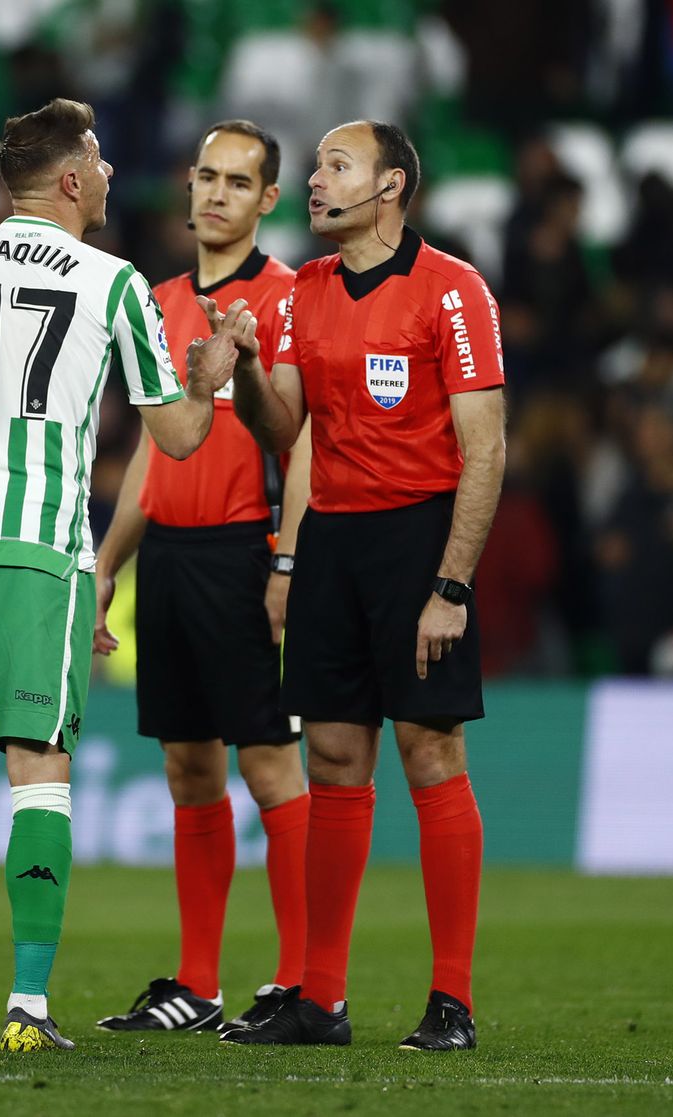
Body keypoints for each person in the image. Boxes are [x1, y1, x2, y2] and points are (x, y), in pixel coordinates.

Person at [0, 98, 246, 1053]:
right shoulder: (116, 284)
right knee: (39, 775)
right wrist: (214, 371)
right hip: (45, 556)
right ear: (70, 179)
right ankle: (26, 1008)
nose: (110, 174)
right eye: (100, 159)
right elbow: (182, 438)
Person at [220, 121, 506, 1051]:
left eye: (334, 166)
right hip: (332, 540)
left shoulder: (454, 290)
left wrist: (450, 587)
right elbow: (283, 431)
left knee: (430, 755)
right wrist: (252, 369)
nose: (313, 180)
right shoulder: (303, 290)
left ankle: (452, 1001)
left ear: (390, 186)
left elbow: (486, 449)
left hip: (419, 540)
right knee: (335, 759)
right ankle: (322, 999)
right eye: (313, 168)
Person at [91, 120, 311, 1036]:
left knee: (268, 765)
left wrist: (288, 563)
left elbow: (304, 442)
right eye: (206, 178)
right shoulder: (156, 298)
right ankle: (196, 982)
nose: (216, 195)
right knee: (188, 767)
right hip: (172, 559)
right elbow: (151, 447)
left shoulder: (291, 298)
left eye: (239, 182)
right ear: (188, 187)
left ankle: (301, 977)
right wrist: (109, 562)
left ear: (269, 201)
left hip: (246, 551)